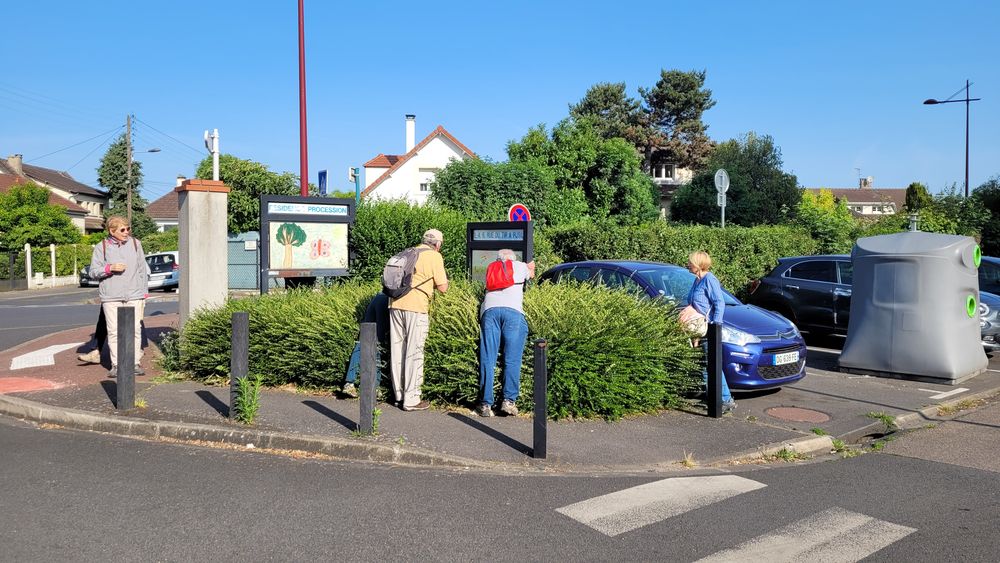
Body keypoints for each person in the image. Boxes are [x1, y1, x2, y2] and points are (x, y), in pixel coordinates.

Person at [388, 229, 448, 411]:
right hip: (416, 307)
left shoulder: (409, 252)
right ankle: (412, 399)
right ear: (437, 244)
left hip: (395, 303)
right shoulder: (434, 257)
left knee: (397, 349)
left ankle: (398, 395)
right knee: (414, 351)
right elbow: (443, 287)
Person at [475, 249, 534, 417]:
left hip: (490, 312)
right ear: (513, 259)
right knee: (512, 359)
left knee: (488, 358)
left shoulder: (492, 267)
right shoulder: (520, 266)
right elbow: (532, 274)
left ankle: (485, 405)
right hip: (513, 313)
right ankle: (508, 401)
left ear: (498, 259)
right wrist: (531, 267)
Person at [88, 216, 149, 378]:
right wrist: (110, 268)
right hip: (111, 296)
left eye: (128, 228)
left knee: (135, 330)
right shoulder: (102, 247)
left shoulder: (136, 244)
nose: (126, 232)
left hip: (134, 294)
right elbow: (93, 271)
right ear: (111, 231)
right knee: (114, 331)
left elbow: (143, 270)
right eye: (122, 230)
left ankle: (135, 362)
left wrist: (144, 294)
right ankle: (116, 365)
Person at [679, 250, 736, 413]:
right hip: (699, 330)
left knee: (713, 364)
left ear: (698, 264)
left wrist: (715, 325)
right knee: (705, 364)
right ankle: (712, 396)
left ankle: (725, 399)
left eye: (690, 262)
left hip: (709, 329)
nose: (688, 264)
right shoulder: (697, 280)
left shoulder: (709, 280)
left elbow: (719, 302)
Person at [342, 292, 390, 398]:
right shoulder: (383, 300)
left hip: (367, 327)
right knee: (371, 350)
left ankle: (351, 383)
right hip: (372, 329)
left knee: (364, 350)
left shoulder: (378, 297)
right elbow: (381, 325)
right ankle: (353, 384)